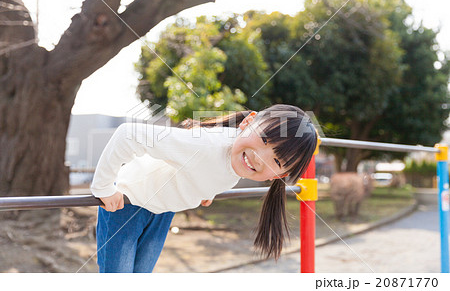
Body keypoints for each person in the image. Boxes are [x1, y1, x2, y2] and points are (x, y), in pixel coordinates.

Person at [90, 104, 319, 272]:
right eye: (265, 140)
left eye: (277, 162)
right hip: (126, 204)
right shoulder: (204, 145)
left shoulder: (239, 159)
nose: (260, 159)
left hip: (162, 211)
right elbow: (127, 135)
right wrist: (104, 187)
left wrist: (204, 192)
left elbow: (216, 172)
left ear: (279, 175)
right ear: (248, 122)